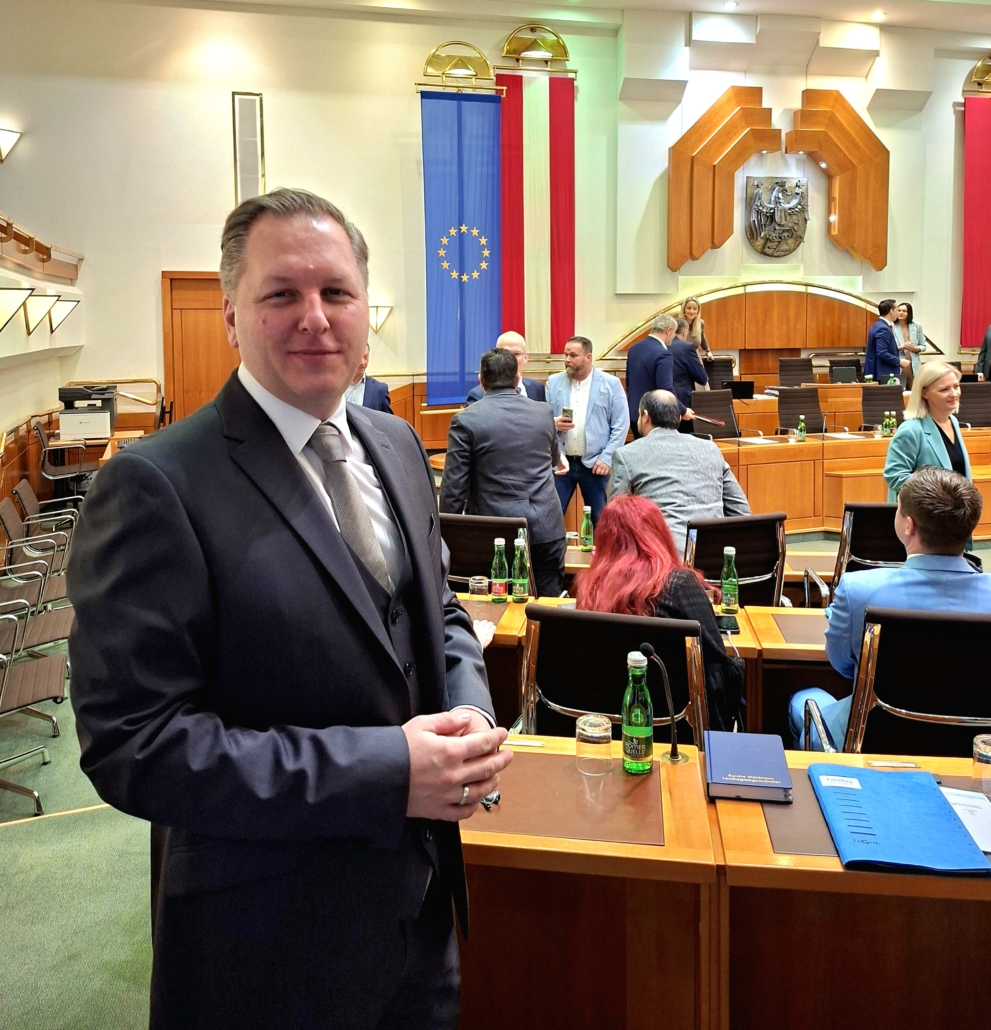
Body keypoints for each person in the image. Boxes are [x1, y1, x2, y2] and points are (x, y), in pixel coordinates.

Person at [66, 188, 511, 1030]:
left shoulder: (396, 444)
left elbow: (441, 611)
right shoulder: (156, 484)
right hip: (267, 949)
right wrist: (388, 771)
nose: (315, 317)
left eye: (336, 292)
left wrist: (468, 716)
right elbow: (135, 745)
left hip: (419, 922)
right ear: (232, 315)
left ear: (365, 312)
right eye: (282, 294)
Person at [789, 467, 990, 749]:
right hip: (973, 746)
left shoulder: (858, 590)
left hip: (871, 742)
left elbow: (842, 664)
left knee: (803, 699)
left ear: (909, 526)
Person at [575, 494, 744, 732]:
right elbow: (718, 671)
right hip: (679, 732)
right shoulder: (680, 585)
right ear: (658, 535)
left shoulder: (589, 590)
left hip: (605, 729)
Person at [440, 347, 566, 597]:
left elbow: (454, 487)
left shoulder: (466, 420)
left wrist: (447, 538)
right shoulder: (544, 412)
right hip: (547, 528)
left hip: (493, 534)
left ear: (481, 381)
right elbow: (553, 459)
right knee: (546, 606)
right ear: (517, 379)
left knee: (494, 608)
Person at [608, 390, 750, 558]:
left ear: (645, 416)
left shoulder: (626, 455)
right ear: (679, 418)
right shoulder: (710, 449)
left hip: (660, 561)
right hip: (714, 558)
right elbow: (741, 511)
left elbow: (615, 523)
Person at [546, 336, 629, 526]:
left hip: (595, 464)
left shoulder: (611, 384)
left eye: (573, 355)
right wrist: (554, 425)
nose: (567, 359)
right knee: (551, 518)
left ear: (588, 357)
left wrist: (607, 457)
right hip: (562, 462)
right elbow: (544, 421)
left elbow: (621, 425)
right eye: (566, 355)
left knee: (600, 520)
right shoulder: (553, 382)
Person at [884, 360, 970, 500]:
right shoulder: (911, 430)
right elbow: (895, 477)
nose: (954, 393)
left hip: (955, 511)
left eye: (956, 386)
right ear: (924, 393)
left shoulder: (953, 421)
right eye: (944, 389)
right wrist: (940, 487)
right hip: (923, 512)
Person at [625, 313, 693, 437]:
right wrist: (682, 410)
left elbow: (629, 383)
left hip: (634, 414)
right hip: (653, 418)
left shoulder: (634, 348)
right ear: (668, 331)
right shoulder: (663, 354)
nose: (674, 337)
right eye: (674, 332)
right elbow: (666, 388)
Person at [465, 330, 545, 404]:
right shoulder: (477, 395)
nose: (511, 359)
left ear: (526, 357)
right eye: (506, 354)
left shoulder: (537, 388)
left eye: (516, 354)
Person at [670, 316, 709, 432]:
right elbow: (702, 378)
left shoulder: (661, 345)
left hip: (660, 400)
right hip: (683, 402)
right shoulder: (687, 348)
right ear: (684, 331)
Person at [345, 341, 393, 413]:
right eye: (359, 357)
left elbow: (387, 419)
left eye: (366, 357)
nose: (363, 362)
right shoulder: (336, 386)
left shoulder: (380, 390)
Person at [864, 298, 900, 381]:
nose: (898, 313)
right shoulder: (883, 328)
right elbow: (882, 352)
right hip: (882, 373)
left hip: (879, 372)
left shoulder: (878, 325)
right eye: (897, 310)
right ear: (891, 311)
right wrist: (899, 361)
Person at [894, 302, 926, 379]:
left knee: (914, 385)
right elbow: (888, 349)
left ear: (909, 313)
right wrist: (902, 347)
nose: (901, 313)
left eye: (904, 311)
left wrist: (915, 348)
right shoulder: (891, 326)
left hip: (913, 363)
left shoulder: (917, 326)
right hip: (898, 363)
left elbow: (923, 346)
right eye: (899, 310)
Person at [681, 296, 712, 361]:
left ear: (698, 311)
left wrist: (708, 351)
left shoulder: (700, 323)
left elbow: (702, 337)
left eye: (695, 309)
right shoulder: (677, 324)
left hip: (695, 357)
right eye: (689, 308)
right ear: (684, 309)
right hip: (680, 358)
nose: (692, 311)